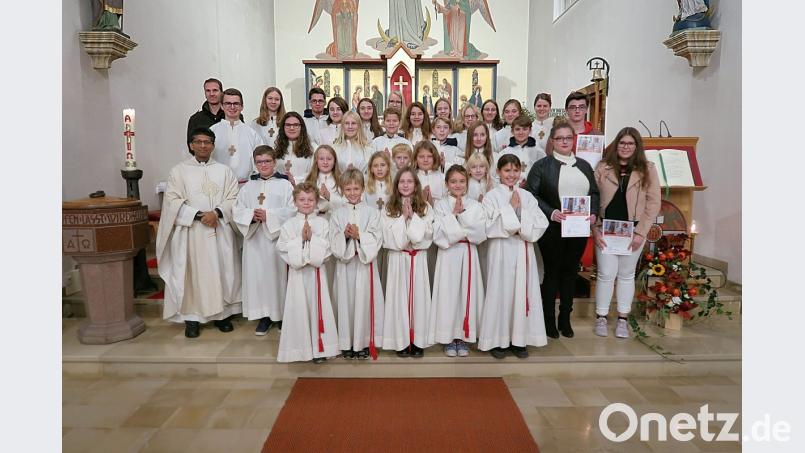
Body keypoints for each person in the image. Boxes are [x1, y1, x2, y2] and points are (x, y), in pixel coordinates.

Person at [156, 127, 242, 338]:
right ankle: (192, 318)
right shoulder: (179, 171)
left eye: (207, 142)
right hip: (192, 232)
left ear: (213, 145)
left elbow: (233, 198)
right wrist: (198, 215)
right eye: (199, 142)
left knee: (223, 269)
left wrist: (217, 213)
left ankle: (223, 316)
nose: (203, 146)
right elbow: (172, 201)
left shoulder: (224, 171)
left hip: (220, 228)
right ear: (191, 145)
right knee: (192, 273)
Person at [526, 119, 600, 339]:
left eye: (568, 137)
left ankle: (565, 319)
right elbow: (531, 193)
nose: (565, 142)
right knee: (552, 274)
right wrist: (551, 212)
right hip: (552, 228)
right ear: (552, 141)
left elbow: (594, 193)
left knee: (570, 274)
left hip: (577, 229)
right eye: (560, 138)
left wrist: (593, 212)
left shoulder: (584, 166)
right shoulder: (542, 166)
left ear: (573, 139)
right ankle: (548, 321)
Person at [592, 127, 661, 338]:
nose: (625, 147)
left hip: (632, 231)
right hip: (606, 229)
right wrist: (595, 229)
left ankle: (622, 319)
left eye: (630, 143)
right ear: (616, 144)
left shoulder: (647, 169)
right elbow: (593, 198)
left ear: (636, 146)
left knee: (626, 275)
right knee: (605, 274)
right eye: (622, 143)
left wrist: (641, 233)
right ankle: (601, 317)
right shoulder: (603, 167)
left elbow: (653, 202)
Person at [479, 154, 549, 359]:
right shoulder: (491, 196)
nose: (511, 175)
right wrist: (512, 211)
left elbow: (540, 223)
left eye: (515, 170)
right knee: (500, 293)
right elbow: (488, 226)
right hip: (500, 251)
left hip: (522, 251)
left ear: (520, 172)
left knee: (521, 292)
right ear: (499, 172)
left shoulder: (527, 197)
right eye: (507, 170)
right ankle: (497, 340)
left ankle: (519, 340)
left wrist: (519, 215)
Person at [233, 146, 296, 335]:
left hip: (276, 239)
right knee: (258, 278)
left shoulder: (285, 185)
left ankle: (282, 316)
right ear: (255, 163)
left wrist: (269, 215)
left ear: (274, 162)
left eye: (267, 161)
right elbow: (237, 209)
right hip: (255, 239)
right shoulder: (248, 187)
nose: (263, 165)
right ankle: (264, 317)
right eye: (259, 162)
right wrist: (251, 216)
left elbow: (292, 209)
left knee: (277, 278)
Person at [276, 182, 339, 363]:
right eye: (302, 199)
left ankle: (320, 349)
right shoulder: (288, 225)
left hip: (317, 274)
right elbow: (282, 248)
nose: (306, 203)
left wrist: (312, 241)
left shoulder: (322, 223)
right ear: (295, 201)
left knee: (318, 308)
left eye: (310, 200)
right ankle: (300, 350)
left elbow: (328, 250)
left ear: (316, 201)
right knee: (299, 309)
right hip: (298, 276)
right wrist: (300, 242)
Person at [428, 165, 487, 357]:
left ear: (467, 183)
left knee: (465, 294)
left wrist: (457, 222)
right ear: (446, 184)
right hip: (448, 255)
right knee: (449, 294)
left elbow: (480, 233)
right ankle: (448, 337)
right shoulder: (440, 205)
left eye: (462, 181)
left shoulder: (476, 205)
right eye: (453, 181)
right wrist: (455, 217)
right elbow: (437, 234)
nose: (458, 185)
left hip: (468, 252)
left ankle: (463, 336)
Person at [329, 169, 385, 360]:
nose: (352, 193)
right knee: (346, 302)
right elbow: (332, 240)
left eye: (356, 188)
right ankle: (346, 343)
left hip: (364, 266)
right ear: (342, 190)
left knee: (364, 302)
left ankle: (363, 342)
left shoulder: (371, 213)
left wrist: (359, 236)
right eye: (348, 189)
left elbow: (377, 238)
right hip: (345, 267)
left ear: (362, 188)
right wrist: (344, 236)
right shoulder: (337, 214)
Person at [381, 168, 434, 357]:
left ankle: (418, 341)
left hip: (417, 259)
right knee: (398, 300)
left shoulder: (426, 207)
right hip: (398, 258)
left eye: (409, 181)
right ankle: (401, 341)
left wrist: (413, 217)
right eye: (402, 181)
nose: (405, 185)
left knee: (418, 299)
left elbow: (427, 236)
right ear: (396, 185)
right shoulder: (388, 207)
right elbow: (388, 238)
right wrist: (403, 217)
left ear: (416, 185)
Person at [211, 88, 264, 183]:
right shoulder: (212, 132)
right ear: (222, 106)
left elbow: (260, 161)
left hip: (245, 186)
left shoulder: (252, 134)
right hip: (218, 185)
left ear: (242, 107)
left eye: (236, 103)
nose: (232, 107)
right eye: (228, 103)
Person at [546, 91, 603, 155]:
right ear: (566, 110)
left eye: (581, 107)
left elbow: (600, 159)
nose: (577, 111)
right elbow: (549, 158)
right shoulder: (556, 133)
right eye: (573, 107)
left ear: (586, 109)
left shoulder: (596, 135)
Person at [274, 112, 315, 187]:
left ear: (301, 127)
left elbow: (315, 172)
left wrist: (295, 181)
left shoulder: (313, 148)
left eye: (296, 125)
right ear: (283, 127)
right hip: (281, 190)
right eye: (288, 125)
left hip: (304, 190)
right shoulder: (276, 148)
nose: (291, 128)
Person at [501, 115, 545, 185]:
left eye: (524, 129)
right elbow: (499, 175)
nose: (521, 132)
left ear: (530, 130)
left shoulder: (539, 152)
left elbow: (543, 174)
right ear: (512, 131)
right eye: (517, 129)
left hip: (533, 189)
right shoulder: (505, 152)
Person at [305, 145, 344, 217]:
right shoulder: (309, 179)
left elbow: (347, 203)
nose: (325, 162)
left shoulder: (342, 180)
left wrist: (330, 197)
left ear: (334, 161)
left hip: (336, 219)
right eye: (321, 159)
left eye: (329, 159)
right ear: (316, 161)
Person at [413, 140, 445, 205]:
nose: (425, 160)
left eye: (429, 156)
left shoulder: (442, 177)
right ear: (415, 159)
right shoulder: (412, 177)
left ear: (435, 158)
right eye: (421, 157)